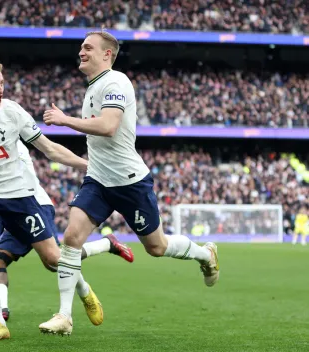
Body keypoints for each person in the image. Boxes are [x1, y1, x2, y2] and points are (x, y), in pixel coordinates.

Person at [39, 31, 220, 336]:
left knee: (157, 247)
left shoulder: (116, 82)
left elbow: (109, 127)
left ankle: (206, 254)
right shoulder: (94, 86)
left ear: (107, 54)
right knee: (71, 238)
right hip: (98, 179)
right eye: (81, 47)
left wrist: (65, 119)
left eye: (88, 47)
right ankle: (64, 316)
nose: (81, 51)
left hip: (129, 182)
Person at [0, 59, 103, 341]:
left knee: (52, 259)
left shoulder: (12, 112)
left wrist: (86, 165)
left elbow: (48, 148)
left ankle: (85, 290)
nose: (0, 88)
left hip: (20, 196)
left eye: (2, 83)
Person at [0, 140, 135, 323]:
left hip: (33, 205)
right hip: (12, 210)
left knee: (54, 260)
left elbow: (48, 151)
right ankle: (1, 310)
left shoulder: (9, 141)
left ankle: (101, 255)